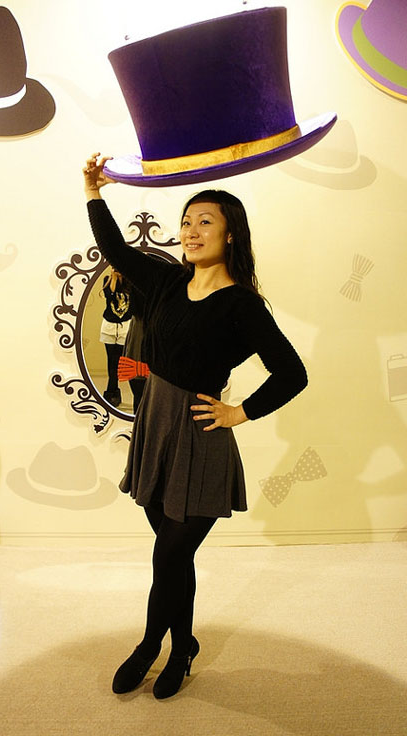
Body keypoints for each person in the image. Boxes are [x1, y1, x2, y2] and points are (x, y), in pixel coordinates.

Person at [83, 153, 308, 699]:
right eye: (186, 221)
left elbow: (292, 373)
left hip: (199, 440)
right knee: (175, 556)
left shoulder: (242, 305)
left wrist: (239, 412)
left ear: (231, 234)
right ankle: (184, 645)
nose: (191, 230)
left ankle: (149, 646)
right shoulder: (165, 281)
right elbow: (115, 249)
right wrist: (93, 192)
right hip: (155, 429)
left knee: (168, 554)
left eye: (205, 221)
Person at [99, 267, 132, 407]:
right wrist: (113, 278)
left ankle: (111, 391)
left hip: (125, 326)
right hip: (109, 326)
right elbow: (110, 296)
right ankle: (113, 391)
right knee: (111, 360)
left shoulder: (130, 282)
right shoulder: (107, 280)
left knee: (118, 361)